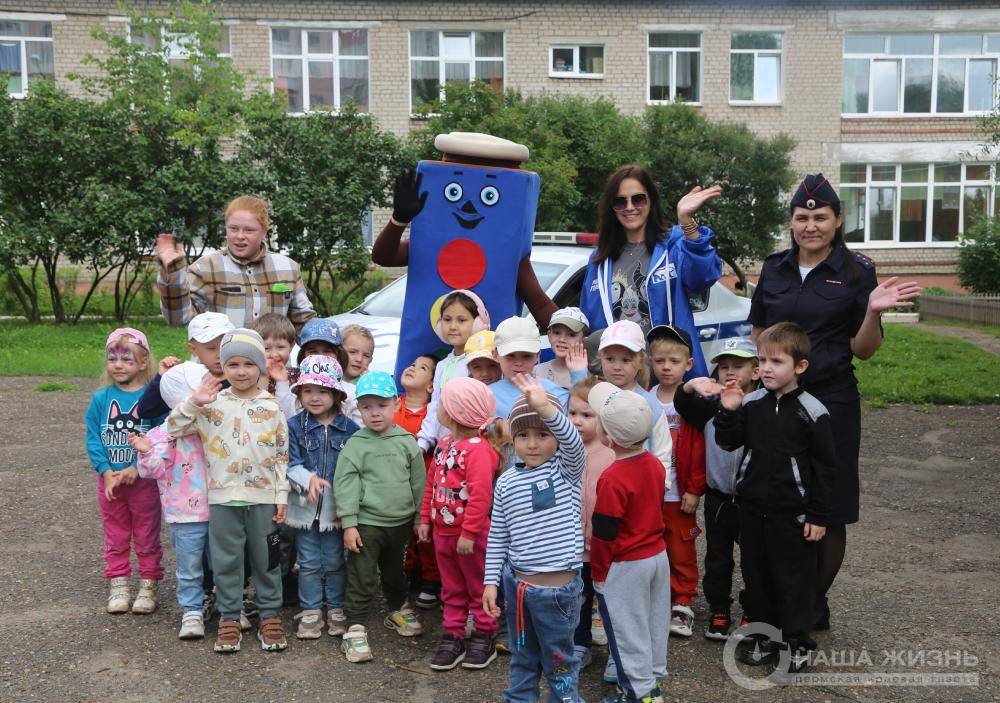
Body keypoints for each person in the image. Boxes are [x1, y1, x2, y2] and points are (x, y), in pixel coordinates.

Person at [748, 174, 921, 629]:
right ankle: (793, 604)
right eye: (802, 217)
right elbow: (758, 334)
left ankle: (803, 608)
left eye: (820, 216)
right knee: (781, 502)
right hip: (780, 403)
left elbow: (864, 349)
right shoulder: (774, 268)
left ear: (838, 220)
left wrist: (873, 311)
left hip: (832, 403)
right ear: (791, 222)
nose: (810, 225)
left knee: (829, 504)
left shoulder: (856, 271)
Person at [714, 322, 836, 675]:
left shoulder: (813, 411)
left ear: (799, 366)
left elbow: (826, 469)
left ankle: (797, 642)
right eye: (762, 360)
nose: (766, 368)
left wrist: (818, 515)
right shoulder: (751, 404)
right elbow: (728, 442)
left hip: (792, 514)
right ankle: (763, 636)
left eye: (777, 361)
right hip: (751, 509)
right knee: (757, 578)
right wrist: (730, 409)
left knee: (793, 581)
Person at [166, 329, 290, 654]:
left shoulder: (272, 407)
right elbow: (173, 428)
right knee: (226, 562)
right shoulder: (211, 405)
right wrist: (194, 402)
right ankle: (230, 616)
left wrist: (282, 495)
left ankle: (270, 614)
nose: (241, 371)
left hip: (263, 500)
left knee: (267, 560)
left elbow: (281, 455)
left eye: (248, 364)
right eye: (232, 364)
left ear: (260, 367)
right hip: (222, 500)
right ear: (223, 367)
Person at [483, 374, 586, 703]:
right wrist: (490, 582)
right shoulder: (507, 480)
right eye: (523, 435)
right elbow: (498, 534)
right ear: (512, 438)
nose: (532, 443)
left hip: (558, 592)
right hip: (518, 588)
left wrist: (546, 409)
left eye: (542, 434)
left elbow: (573, 442)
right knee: (522, 657)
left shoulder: (564, 470)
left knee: (558, 663)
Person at [579, 164, 722, 378]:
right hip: (617, 379)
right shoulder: (600, 260)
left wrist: (686, 222)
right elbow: (588, 321)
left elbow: (704, 277)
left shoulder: (674, 245)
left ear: (651, 200)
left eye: (638, 199)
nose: (630, 207)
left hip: (666, 376)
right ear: (612, 207)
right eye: (620, 201)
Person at [333, 371, 426, 663]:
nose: (375, 413)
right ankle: (354, 626)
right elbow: (345, 485)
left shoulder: (407, 442)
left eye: (382, 405)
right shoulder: (356, 445)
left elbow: (418, 482)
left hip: (400, 524)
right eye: (367, 406)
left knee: (396, 573)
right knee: (362, 576)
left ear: (396, 404)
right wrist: (349, 524)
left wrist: (420, 518)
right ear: (358, 408)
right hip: (367, 524)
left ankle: (397, 608)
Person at [673, 338, 760, 640]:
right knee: (718, 558)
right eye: (724, 367)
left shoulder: (763, 406)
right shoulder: (710, 406)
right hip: (718, 497)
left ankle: (753, 612)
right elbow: (682, 406)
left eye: (739, 366)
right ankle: (719, 609)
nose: (730, 372)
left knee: (754, 560)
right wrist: (688, 386)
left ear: (757, 371)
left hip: (754, 500)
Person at [588, 382, 669, 703]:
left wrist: (598, 574)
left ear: (608, 438)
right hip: (658, 555)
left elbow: (604, 533)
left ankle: (641, 694)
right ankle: (650, 680)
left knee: (626, 630)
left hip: (625, 563)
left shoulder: (612, 477)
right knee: (653, 623)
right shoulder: (654, 464)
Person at [419, 377, 504, 671]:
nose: (438, 405)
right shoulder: (445, 444)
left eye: (443, 401)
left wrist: (469, 533)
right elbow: (432, 482)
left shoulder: (478, 449)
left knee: (478, 586)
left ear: (456, 411)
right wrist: (424, 520)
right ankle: (453, 633)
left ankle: (485, 633)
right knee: (452, 587)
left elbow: (481, 496)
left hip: (472, 536)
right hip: (443, 533)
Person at [86, 328, 165, 615]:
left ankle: (148, 583)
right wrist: (106, 471)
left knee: (147, 534)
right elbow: (94, 437)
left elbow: (160, 435)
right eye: (112, 358)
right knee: (115, 534)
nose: (118, 364)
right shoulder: (100, 399)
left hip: (143, 482)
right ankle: (119, 583)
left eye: (127, 359)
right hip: (110, 483)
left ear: (143, 362)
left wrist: (137, 467)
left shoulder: (152, 398)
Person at [156, 195, 316, 331]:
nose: (240, 236)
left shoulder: (288, 268)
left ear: (264, 232)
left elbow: (304, 322)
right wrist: (172, 272)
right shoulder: (205, 268)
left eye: (248, 230)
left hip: (271, 364)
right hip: (220, 365)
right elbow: (178, 319)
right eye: (233, 229)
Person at [647, 325, 705, 639]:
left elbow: (699, 449)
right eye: (659, 361)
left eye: (673, 361)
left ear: (689, 364)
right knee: (651, 546)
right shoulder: (646, 398)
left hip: (679, 492)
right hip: (650, 493)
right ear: (650, 363)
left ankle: (683, 600)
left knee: (681, 547)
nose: (666, 367)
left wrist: (695, 488)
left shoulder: (691, 401)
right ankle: (657, 596)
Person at [129, 418, 210, 639]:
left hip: (223, 507)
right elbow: (152, 470)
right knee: (189, 567)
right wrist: (145, 452)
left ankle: (230, 607)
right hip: (184, 512)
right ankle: (191, 611)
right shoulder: (163, 431)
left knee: (225, 562)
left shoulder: (218, 420)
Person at [568, 376, 616, 669]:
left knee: (611, 602)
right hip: (574, 547)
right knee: (578, 600)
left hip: (606, 546)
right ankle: (579, 643)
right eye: (572, 413)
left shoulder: (614, 452)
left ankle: (617, 652)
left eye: (587, 415)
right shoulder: (562, 450)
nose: (577, 421)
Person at [394, 353, 442, 609]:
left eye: (422, 367)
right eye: (412, 363)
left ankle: (431, 580)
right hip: (394, 484)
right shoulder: (390, 406)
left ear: (432, 385)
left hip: (424, 484)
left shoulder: (432, 415)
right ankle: (405, 573)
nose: (412, 367)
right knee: (402, 533)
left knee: (425, 533)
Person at [416, 289, 491, 452]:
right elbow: (435, 405)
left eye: (461, 320)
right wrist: (423, 442)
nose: (453, 326)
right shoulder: (442, 365)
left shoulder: (483, 363)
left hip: (473, 448)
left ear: (479, 323)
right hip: (444, 447)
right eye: (447, 319)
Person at [137, 311, 234, 421]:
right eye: (211, 348)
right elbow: (145, 410)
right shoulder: (185, 380)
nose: (220, 354)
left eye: (225, 346)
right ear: (193, 349)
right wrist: (162, 378)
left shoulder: (240, 378)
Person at [488, 316, 577, 419]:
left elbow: (577, 421)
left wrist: (579, 373)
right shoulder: (485, 395)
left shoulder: (555, 393)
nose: (519, 363)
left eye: (526, 356)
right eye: (510, 355)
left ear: (538, 355)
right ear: (495, 355)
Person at [297, 318, 362, 426]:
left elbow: (361, 432)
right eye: (313, 351)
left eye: (328, 351)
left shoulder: (352, 393)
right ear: (302, 355)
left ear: (339, 355)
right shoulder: (299, 389)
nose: (321, 356)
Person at [250, 312, 298, 421]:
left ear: (291, 347)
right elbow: (255, 411)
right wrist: (263, 376)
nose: (274, 355)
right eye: (266, 348)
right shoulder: (249, 375)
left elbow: (288, 416)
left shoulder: (297, 378)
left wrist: (282, 382)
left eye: (281, 347)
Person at [534, 307, 590, 389]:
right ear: (549, 335)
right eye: (557, 333)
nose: (562, 339)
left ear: (584, 340)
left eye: (571, 334)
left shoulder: (591, 375)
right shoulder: (535, 372)